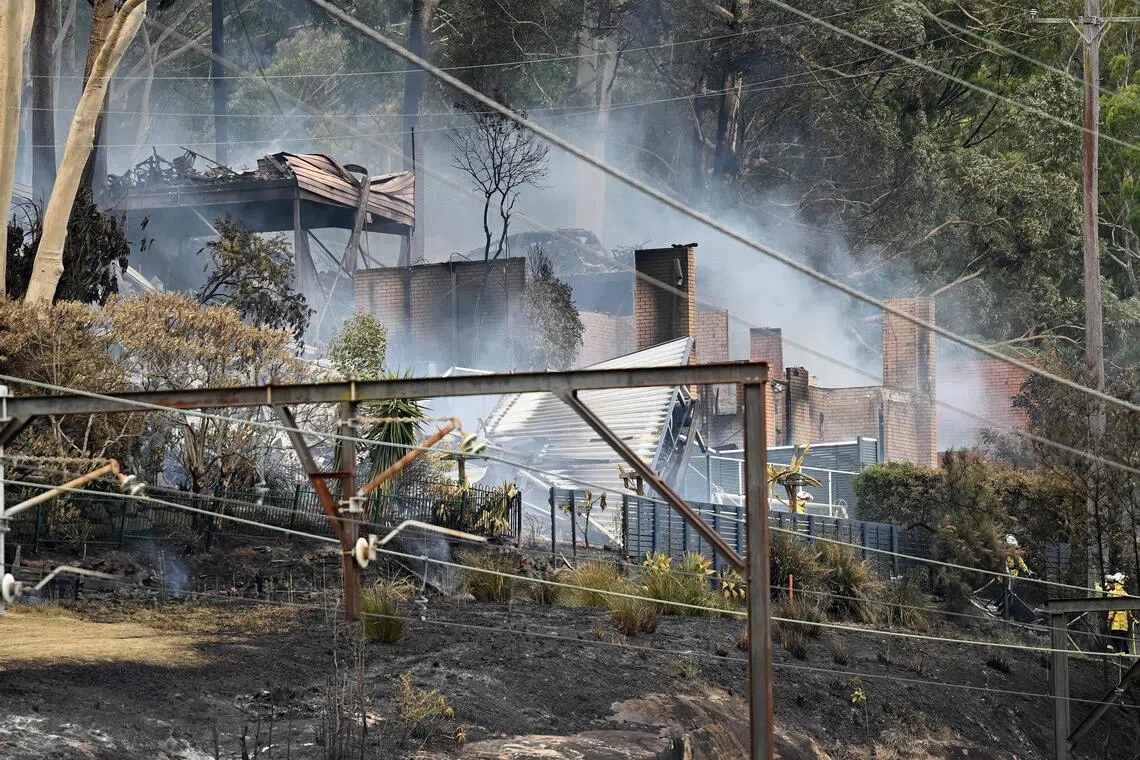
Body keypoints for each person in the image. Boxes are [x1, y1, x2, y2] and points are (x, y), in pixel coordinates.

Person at [1000, 535, 1031, 619]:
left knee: (1011, 593)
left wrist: (1026, 571)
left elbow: (1021, 563)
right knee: (1004, 592)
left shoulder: (1015, 554)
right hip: (1003, 576)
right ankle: (1005, 609)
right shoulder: (1002, 553)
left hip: (1013, 576)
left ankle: (1009, 611)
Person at [1104, 573, 1131, 654]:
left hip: (1115, 625)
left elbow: (1112, 610)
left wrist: (1109, 620)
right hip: (1124, 626)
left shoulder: (1113, 594)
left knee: (1116, 642)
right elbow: (1129, 611)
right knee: (1122, 642)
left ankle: (1118, 653)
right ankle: (1126, 657)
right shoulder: (1126, 594)